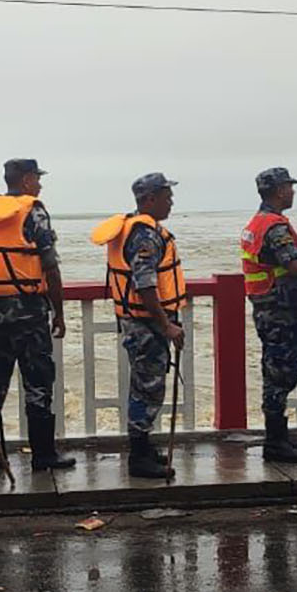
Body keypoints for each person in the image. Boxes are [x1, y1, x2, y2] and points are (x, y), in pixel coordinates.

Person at [0, 158, 77, 473]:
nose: (40, 185)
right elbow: (50, 266)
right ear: (28, 180)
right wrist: (59, 312)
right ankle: (43, 455)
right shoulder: (33, 211)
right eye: (38, 179)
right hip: (30, 311)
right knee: (39, 383)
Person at [91, 172, 188, 479]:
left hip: (140, 323)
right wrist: (166, 326)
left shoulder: (137, 228)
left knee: (147, 387)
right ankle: (138, 457)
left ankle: (144, 449)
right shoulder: (145, 234)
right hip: (146, 325)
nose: (171, 201)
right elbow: (144, 283)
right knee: (147, 390)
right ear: (149, 199)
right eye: (166, 195)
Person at [239, 167, 297, 463]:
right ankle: (275, 442)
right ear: (277, 191)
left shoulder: (258, 223)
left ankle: (278, 438)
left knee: (275, 374)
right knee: (279, 376)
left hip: (269, 308)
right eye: (289, 186)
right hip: (281, 311)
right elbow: (294, 266)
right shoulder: (274, 227)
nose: (293, 191)